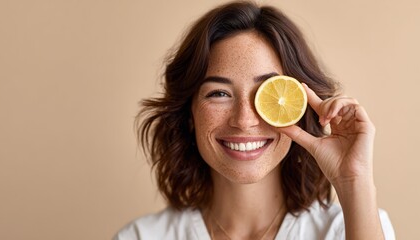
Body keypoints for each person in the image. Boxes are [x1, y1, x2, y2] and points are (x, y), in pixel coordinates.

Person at [114, 1, 395, 239]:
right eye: (220, 93)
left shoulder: (352, 228)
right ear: (188, 114)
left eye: (266, 92)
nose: (244, 120)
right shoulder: (141, 236)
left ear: (299, 107)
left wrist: (353, 181)